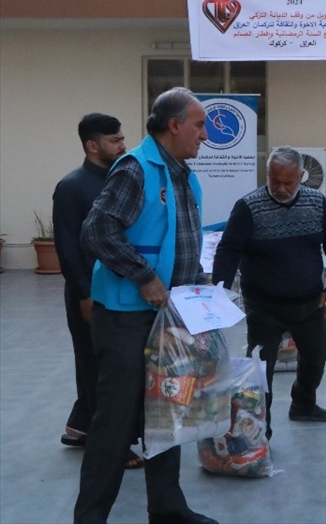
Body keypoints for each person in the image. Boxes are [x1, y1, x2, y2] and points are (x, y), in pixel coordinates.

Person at [77, 87, 216, 524]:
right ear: (174, 125)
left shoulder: (183, 175)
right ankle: (90, 516)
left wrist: (201, 293)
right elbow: (97, 231)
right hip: (127, 319)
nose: (205, 135)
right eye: (199, 125)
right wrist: (144, 276)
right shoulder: (136, 169)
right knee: (115, 423)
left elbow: (182, 243)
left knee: (166, 412)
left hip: (170, 317)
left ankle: (168, 508)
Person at [212, 145, 326, 434]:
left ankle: (304, 405)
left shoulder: (317, 203)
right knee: (262, 369)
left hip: (310, 302)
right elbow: (228, 251)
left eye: (289, 182)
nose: (282, 188)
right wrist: (218, 293)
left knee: (316, 358)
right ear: (268, 175)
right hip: (264, 306)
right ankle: (261, 429)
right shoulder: (249, 207)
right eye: (275, 181)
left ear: (301, 176)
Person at [53, 113, 140, 469]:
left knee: (113, 367)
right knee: (97, 370)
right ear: (92, 145)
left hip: (120, 291)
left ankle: (80, 427)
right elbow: (68, 248)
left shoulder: (121, 182)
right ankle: (113, 447)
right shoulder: (72, 187)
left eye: (121, 138)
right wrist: (84, 294)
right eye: (114, 140)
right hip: (89, 295)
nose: (122, 145)